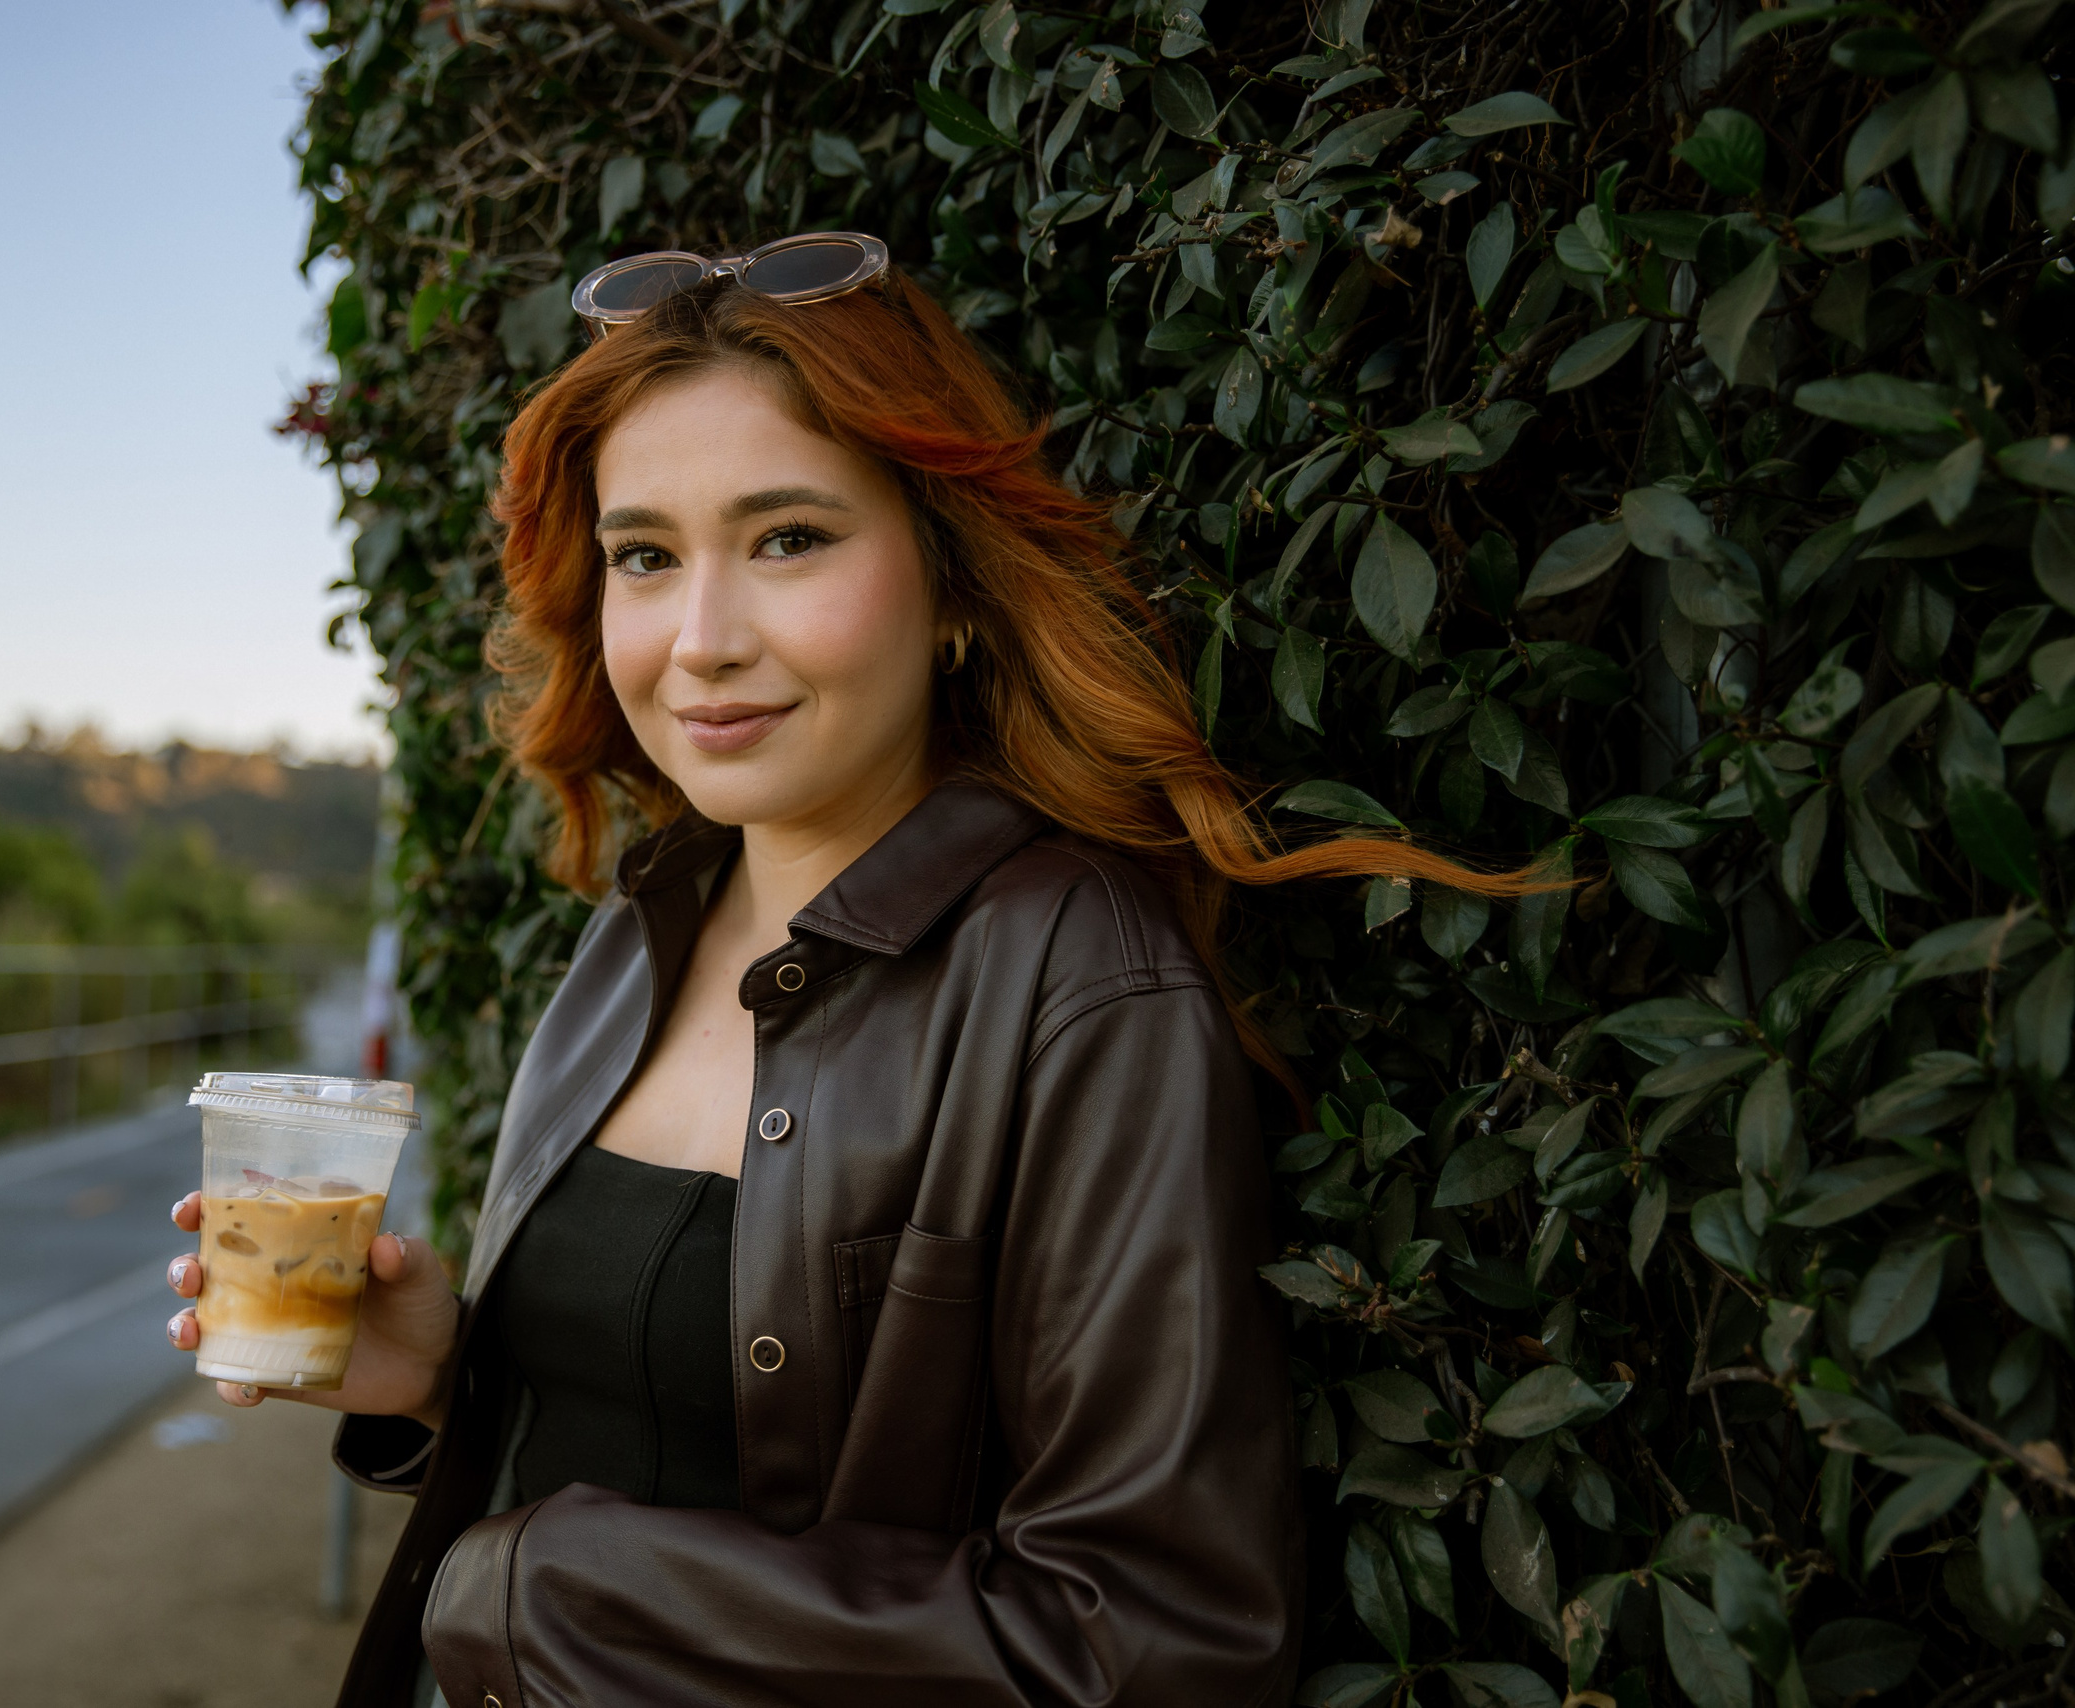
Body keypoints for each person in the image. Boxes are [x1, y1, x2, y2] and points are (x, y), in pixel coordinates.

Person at [160, 234, 1533, 1706]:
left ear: (948, 588)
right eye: (645, 557)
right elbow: (659, 1410)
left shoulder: (1078, 977)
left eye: (789, 539)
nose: (700, 642)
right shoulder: (636, 934)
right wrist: (440, 1378)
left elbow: (1151, 1643)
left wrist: (542, 1592)